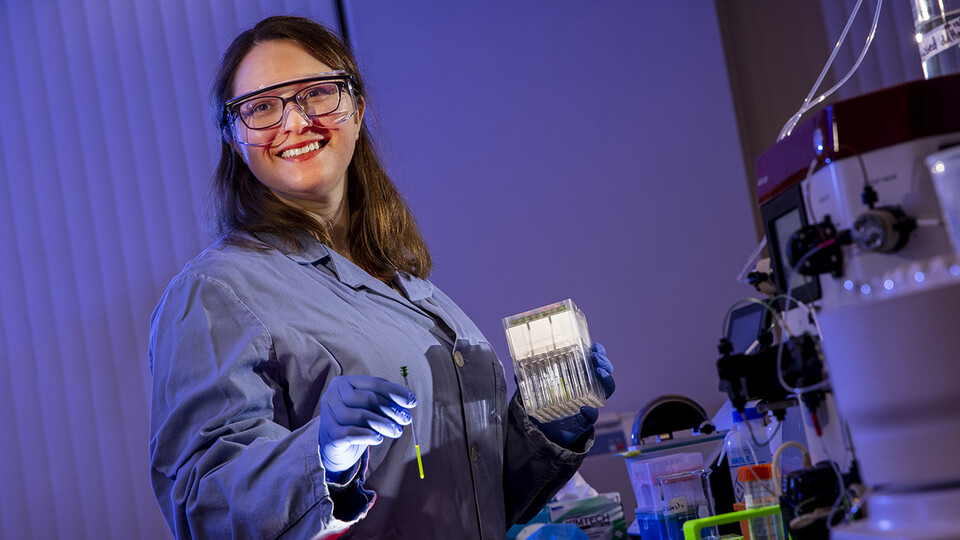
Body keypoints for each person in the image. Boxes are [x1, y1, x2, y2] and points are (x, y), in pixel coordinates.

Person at [148, 15, 616, 539]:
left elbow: (469, 499)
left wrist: (552, 421)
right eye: (261, 107)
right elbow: (202, 505)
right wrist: (322, 456)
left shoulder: (408, 287)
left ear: (357, 108)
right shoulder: (214, 292)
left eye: (316, 93)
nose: (295, 121)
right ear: (234, 138)